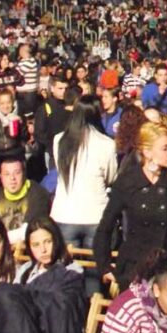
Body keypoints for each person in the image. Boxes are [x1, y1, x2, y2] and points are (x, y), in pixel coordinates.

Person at [95, 121, 167, 290]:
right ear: (147, 152)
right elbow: (105, 227)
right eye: (165, 148)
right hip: (136, 268)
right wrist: (105, 266)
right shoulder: (128, 181)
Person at [51, 95, 116, 251]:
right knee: (94, 269)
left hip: (65, 213)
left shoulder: (59, 140)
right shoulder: (106, 144)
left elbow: (60, 169)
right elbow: (111, 176)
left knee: (67, 271)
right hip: (96, 214)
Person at [0, 157, 51, 246]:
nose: (12, 178)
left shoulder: (38, 193)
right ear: (1, 177)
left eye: (17, 173)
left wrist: (0, 239)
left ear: (24, 174)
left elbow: (29, 230)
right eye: (7, 174)